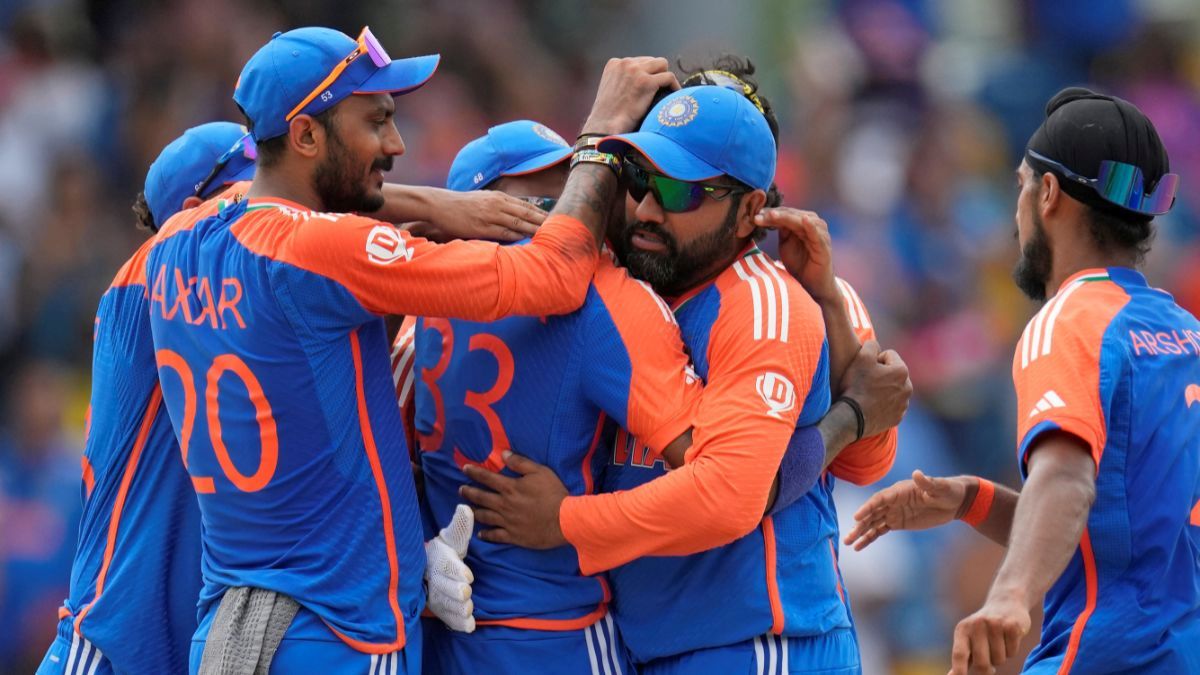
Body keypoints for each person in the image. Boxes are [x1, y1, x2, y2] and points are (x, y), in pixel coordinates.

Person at [145, 24, 674, 674]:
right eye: (376, 122)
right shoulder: (323, 249)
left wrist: (431, 203)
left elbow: (245, 198)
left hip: (230, 626)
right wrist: (599, 135)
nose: (396, 144)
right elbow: (554, 276)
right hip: (342, 632)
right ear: (306, 135)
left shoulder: (177, 240)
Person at [462, 74, 909, 674]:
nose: (648, 208)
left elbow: (853, 465)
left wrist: (565, 522)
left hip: (761, 644)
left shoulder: (769, 302)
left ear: (751, 208)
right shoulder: (622, 280)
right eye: (641, 178)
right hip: (653, 644)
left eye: (680, 191)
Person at [844, 88, 1200, 674]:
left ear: (1049, 193)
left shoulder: (1069, 320)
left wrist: (1009, 596)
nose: (1015, 212)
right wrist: (970, 500)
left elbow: (1065, 480)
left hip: (1104, 657)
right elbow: (1110, 530)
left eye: (1020, 186)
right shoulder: (1184, 331)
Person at [36, 122, 255, 675]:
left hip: (193, 639)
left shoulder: (248, 298)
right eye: (256, 185)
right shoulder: (144, 280)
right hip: (111, 643)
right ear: (192, 213)